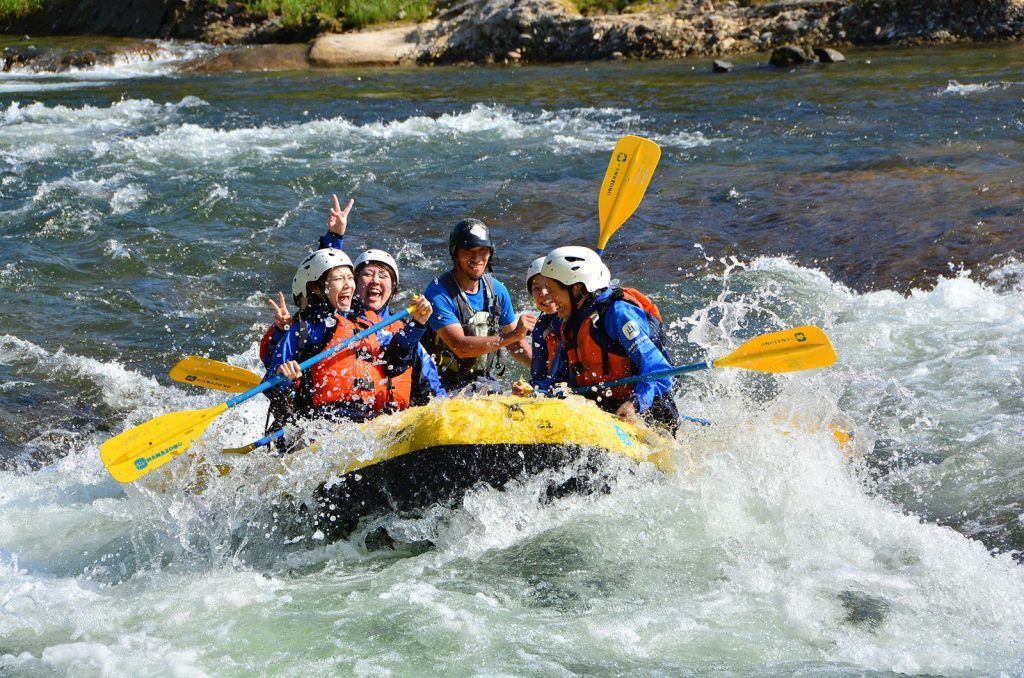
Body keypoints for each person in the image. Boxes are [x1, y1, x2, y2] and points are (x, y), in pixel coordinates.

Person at [263, 248, 433, 424]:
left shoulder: (367, 324)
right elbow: (271, 384)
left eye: (350, 278)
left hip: (371, 420)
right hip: (323, 422)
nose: (348, 285)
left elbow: (396, 364)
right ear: (316, 288)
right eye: (338, 279)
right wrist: (282, 375)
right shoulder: (304, 329)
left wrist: (417, 324)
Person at [540, 245, 679, 429]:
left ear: (575, 289)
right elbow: (561, 381)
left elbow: (659, 372)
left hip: (645, 411)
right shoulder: (571, 322)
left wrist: (634, 404)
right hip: (603, 409)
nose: (548, 298)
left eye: (552, 290)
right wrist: (539, 392)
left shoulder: (619, 315)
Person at [422, 218, 536, 392]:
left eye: (482, 250)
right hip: (442, 385)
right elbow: (460, 347)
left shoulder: (497, 290)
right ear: (455, 254)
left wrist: (546, 372)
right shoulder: (438, 293)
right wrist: (513, 335)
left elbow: (516, 344)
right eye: (468, 251)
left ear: (490, 253)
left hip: (484, 381)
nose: (477, 258)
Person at [350, 248, 447, 406]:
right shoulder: (340, 321)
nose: (375, 280)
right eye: (367, 274)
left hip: (390, 420)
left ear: (393, 289)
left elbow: (433, 388)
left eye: (383, 276)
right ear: (354, 283)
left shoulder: (404, 330)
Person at [512, 257, 568, 395]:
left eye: (549, 287)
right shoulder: (541, 328)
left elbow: (567, 378)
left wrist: (535, 388)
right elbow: (539, 376)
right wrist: (529, 387)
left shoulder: (577, 321)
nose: (543, 293)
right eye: (537, 288)